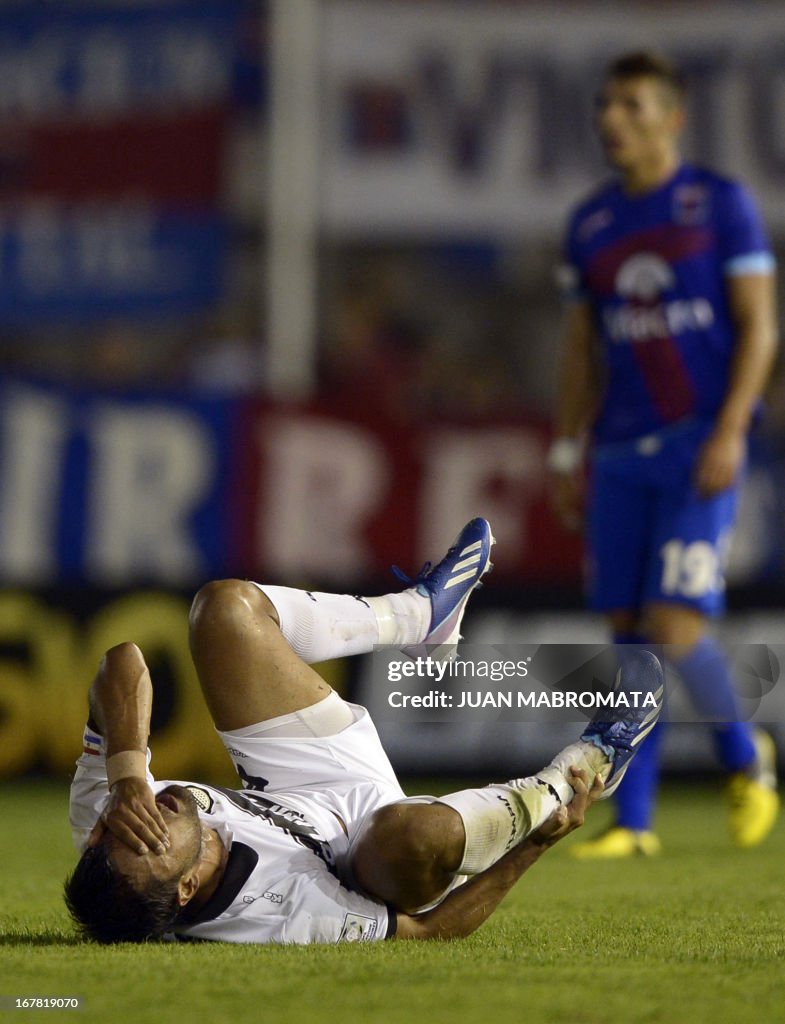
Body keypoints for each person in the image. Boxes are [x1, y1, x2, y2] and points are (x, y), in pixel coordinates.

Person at [64, 517, 663, 944]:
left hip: (298, 778)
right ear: (189, 889)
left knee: (224, 610)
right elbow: (429, 931)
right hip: (368, 858)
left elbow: (123, 662)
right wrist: (534, 846)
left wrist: (123, 778)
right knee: (401, 834)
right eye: (151, 842)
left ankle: (419, 615)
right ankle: (583, 770)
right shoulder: (282, 919)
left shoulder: (111, 811)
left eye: (121, 832)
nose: (152, 815)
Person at [548, 51, 779, 859]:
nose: (613, 119)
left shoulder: (717, 205)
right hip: (615, 451)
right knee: (626, 637)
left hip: (695, 447)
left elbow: (761, 326)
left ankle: (747, 761)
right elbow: (581, 349)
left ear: (671, 118)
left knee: (674, 629)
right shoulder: (590, 224)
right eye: (606, 105)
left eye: (632, 106)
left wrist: (729, 428)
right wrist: (564, 451)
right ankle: (635, 824)